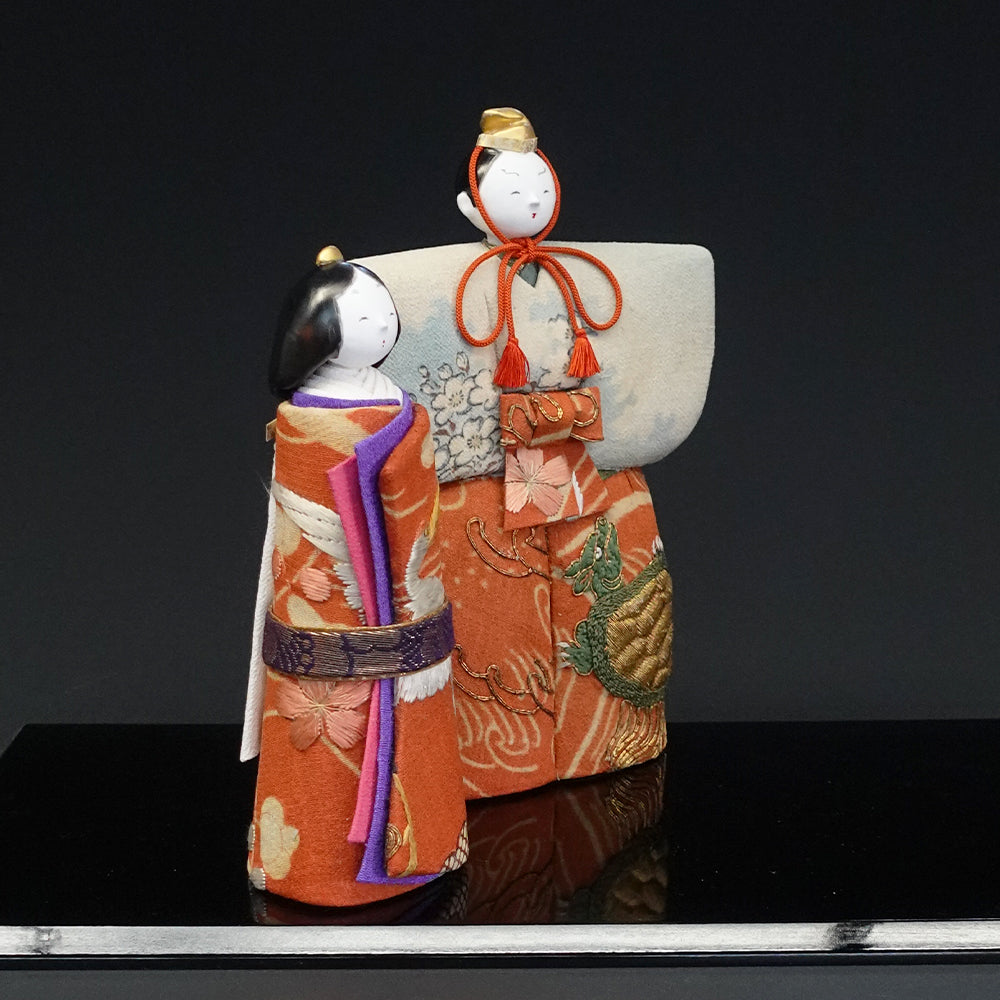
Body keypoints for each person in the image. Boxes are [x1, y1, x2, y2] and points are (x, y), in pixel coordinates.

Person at [241, 248, 467, 908]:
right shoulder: (305, 419)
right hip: (328, 628)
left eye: (382, 310)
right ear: (317, 334)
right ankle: (315, 871)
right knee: (321, 738)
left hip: (412, 616)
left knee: (411, 713)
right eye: (362, 316)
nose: (382, 323)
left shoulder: (398, 404)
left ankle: (426, 849)